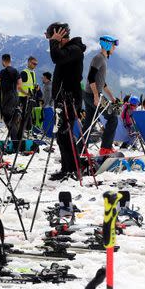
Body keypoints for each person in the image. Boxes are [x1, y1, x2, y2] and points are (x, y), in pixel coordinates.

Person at [45, 21, 86, 180]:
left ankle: (75, 169)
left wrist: (53, 41)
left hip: (70, 98)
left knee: (65, 133)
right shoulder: (67, 50)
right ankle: (66, 168)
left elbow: (56, 58)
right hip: (62, 98)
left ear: (61, 36)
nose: (52, 41)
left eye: (53, 37)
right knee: (61, 134)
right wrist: (53, 40)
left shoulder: (74, 50)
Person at [82, 35, 119, 155]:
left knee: (89, 123)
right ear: (107, 45)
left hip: (90, 94)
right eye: (113, 45)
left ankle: (81, 150)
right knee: (113, 117)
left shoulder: (102, 59)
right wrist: (96, 96)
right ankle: (105, 148)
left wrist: (112, 97)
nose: (114, 48)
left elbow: (102, 82)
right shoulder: (99, 58)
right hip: (93, 94)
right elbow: (91, 77)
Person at [0, 53, 22, 145]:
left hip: (6, 98)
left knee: (7, 118)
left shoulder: (3, 72)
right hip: (15, 97)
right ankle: (16, 139)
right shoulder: (16, 71)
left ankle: (15, 141)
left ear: (3, 61)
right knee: (14, 118)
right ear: (10, 60)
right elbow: (20, 83)